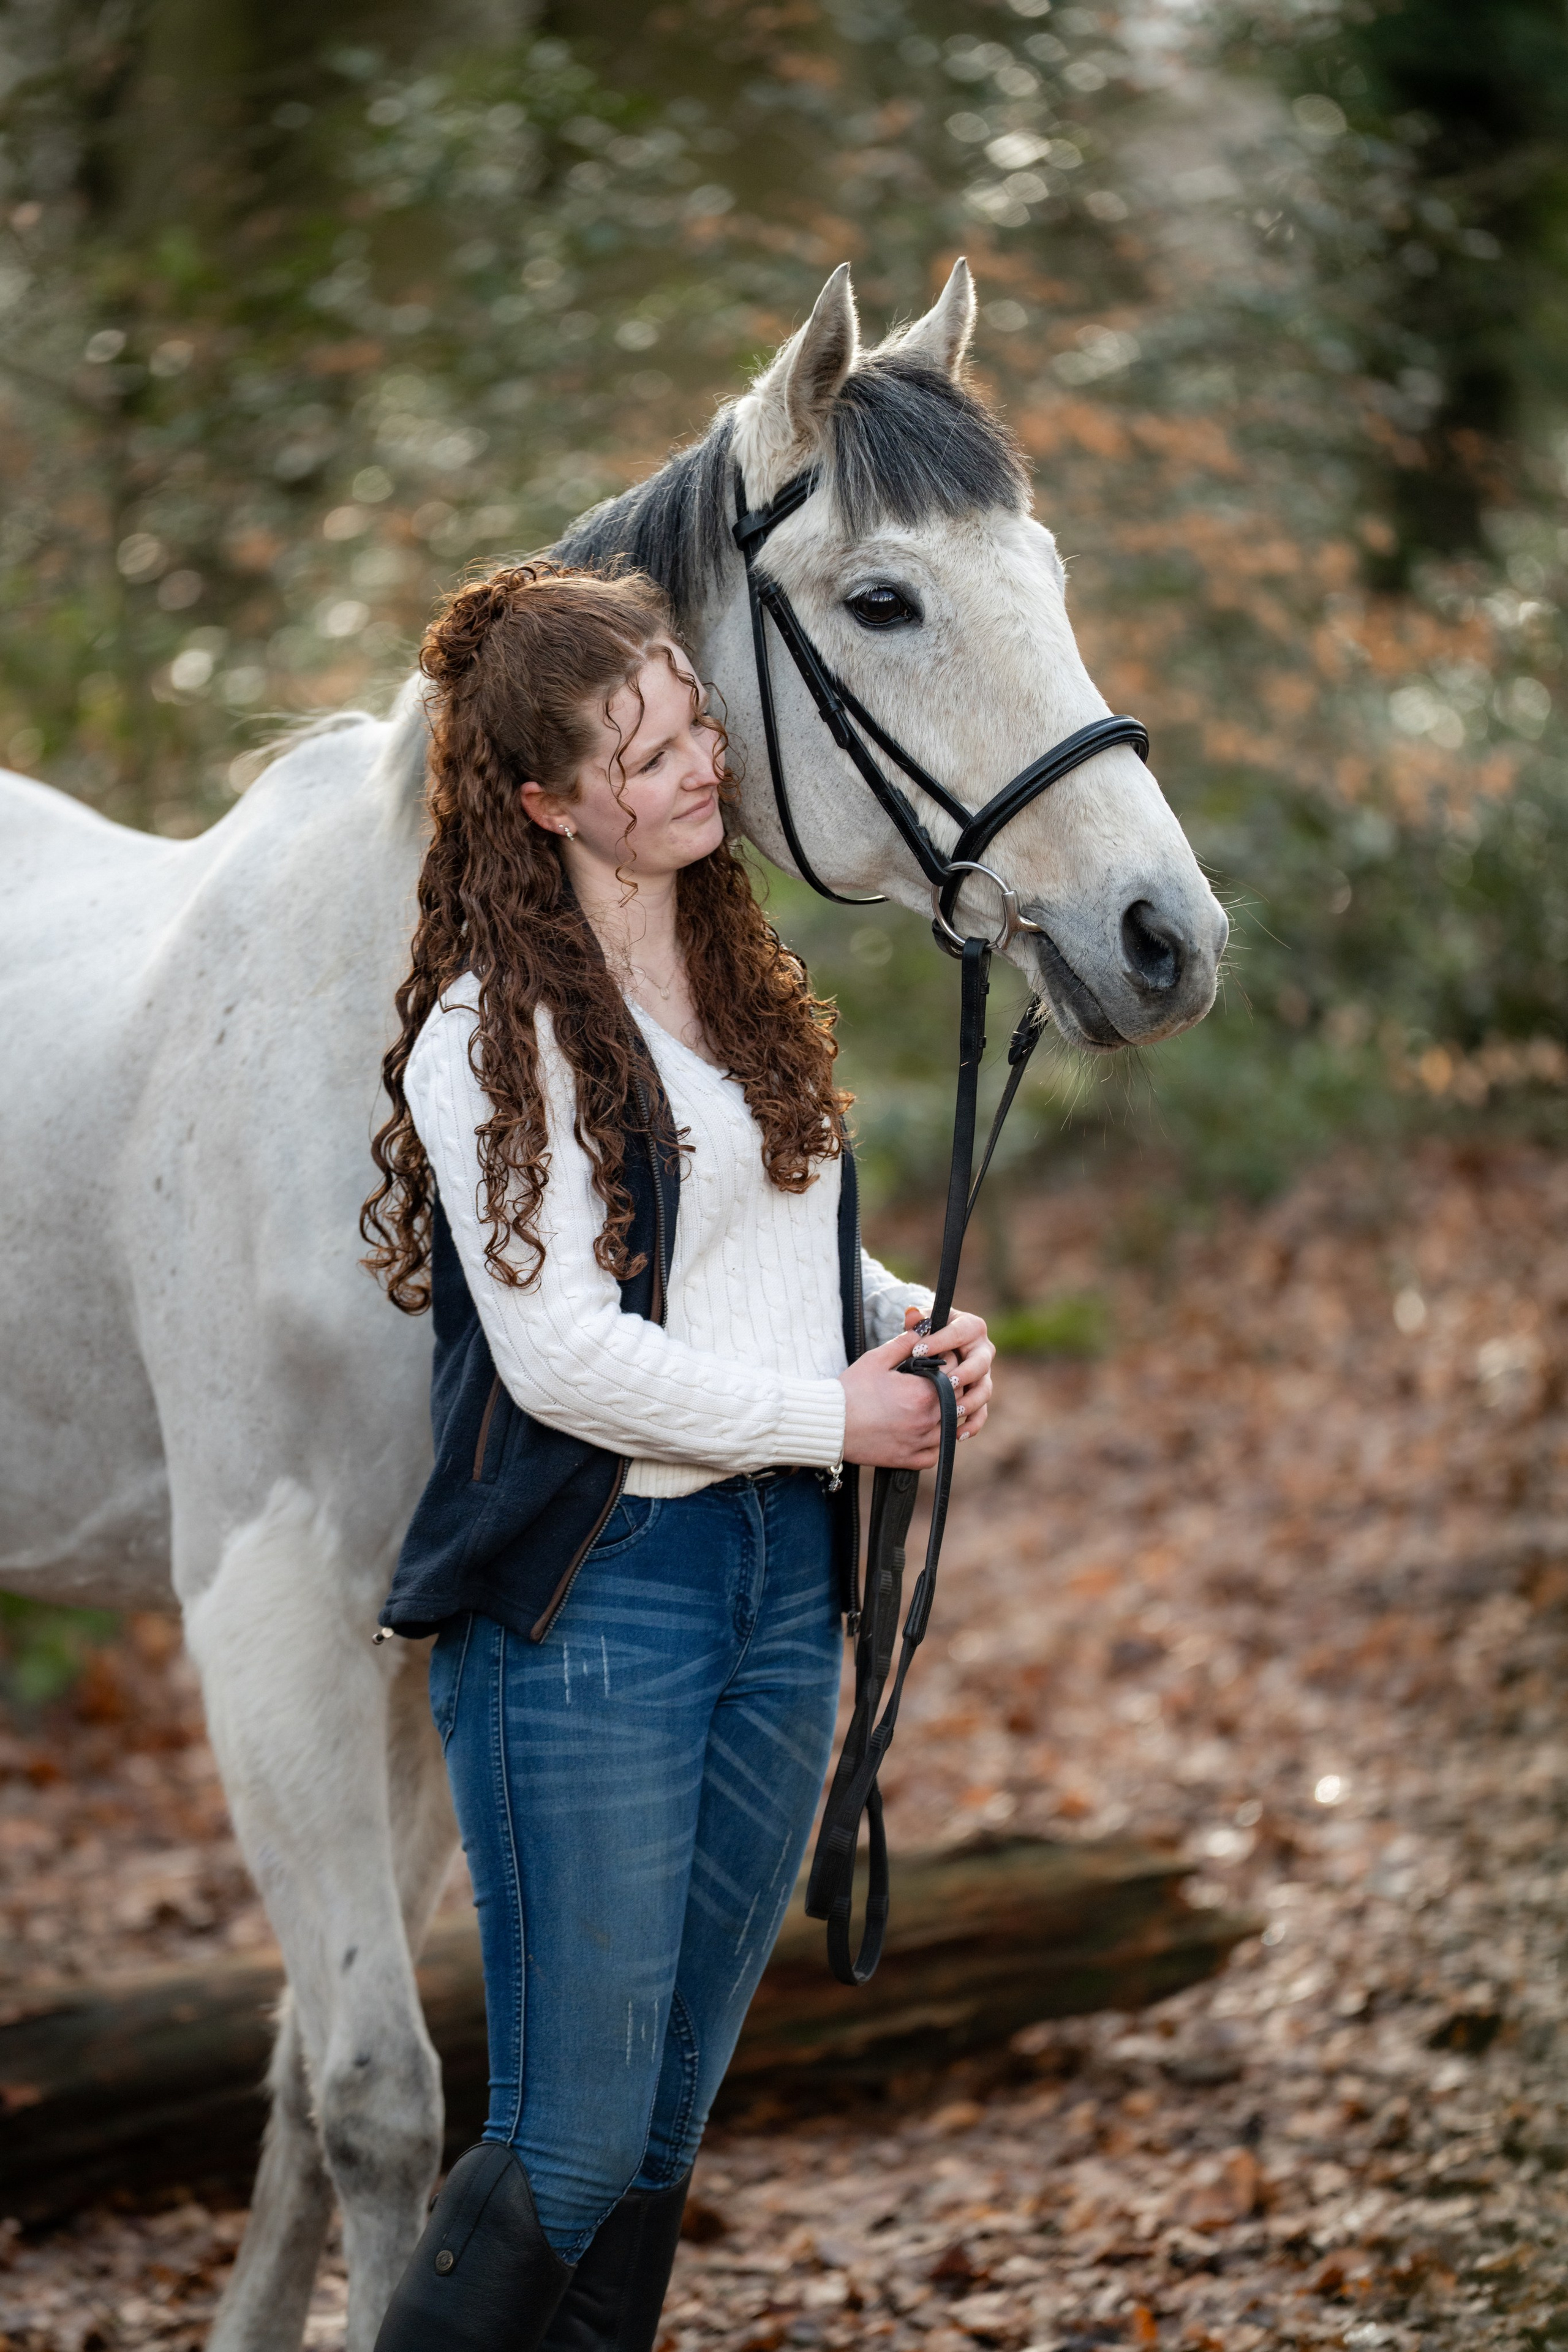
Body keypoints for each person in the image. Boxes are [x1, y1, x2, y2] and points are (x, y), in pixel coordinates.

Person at [361, 561, 996, 2352]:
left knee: (653, 2145)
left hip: (782, 1595)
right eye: (644, 759)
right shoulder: (493, 1030)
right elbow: (562, 1353)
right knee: (561, 2148)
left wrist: (897, 1321)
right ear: (549, 803)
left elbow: (751, 1246)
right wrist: (838, 1418)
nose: (699, 769)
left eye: (693, 723)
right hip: (594, 1615)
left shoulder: (730, 977)